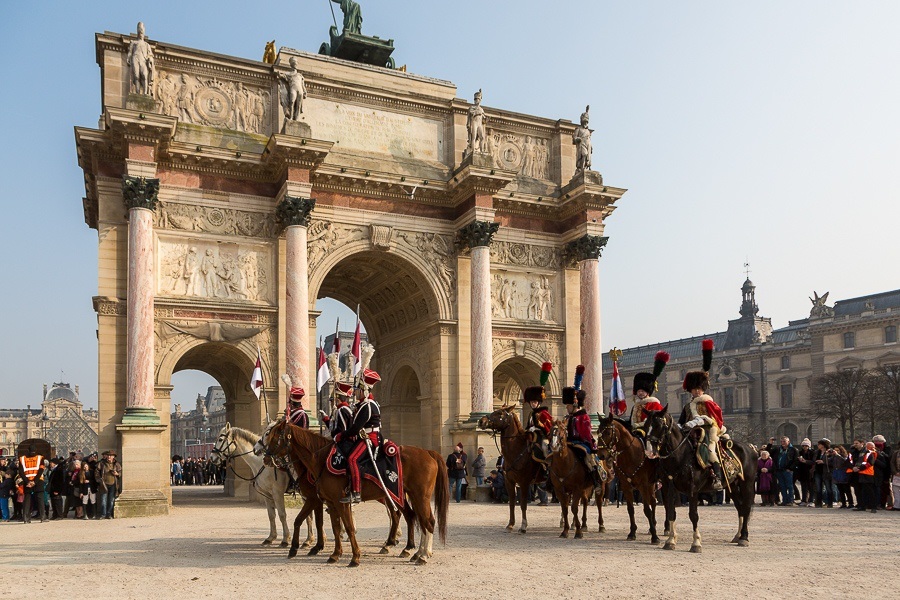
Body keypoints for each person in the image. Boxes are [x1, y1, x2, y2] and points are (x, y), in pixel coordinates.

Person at [679, 339, 726, 491]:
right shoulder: (688, 406)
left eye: (699, 388)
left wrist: (699, 421)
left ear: (703, 388)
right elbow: (682, 420)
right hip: (690, 433)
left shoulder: (708, 403)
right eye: (694, 389)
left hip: (707, 432)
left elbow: (715, 419)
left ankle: (717, 478)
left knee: (710, 451)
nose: (696, 391)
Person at [339, 369, 382, 504]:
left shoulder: (368, 405)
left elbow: (356, 428)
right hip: (365, 436)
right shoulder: (364, 405)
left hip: (369, 438)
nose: (356, 393)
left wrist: (342, 435)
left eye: (358, 390)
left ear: (364, 390)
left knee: (352, 459)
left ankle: (356, 492)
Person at [562, 386, 604, 491]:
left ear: (575, 405)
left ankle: (595, 480)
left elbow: (586, 432)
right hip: (568, 442)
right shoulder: (567, 418)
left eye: (568, 405)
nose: (567, 408)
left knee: (588, 458)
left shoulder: (584, 417)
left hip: (581, 442)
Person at [630, 351, 670, 434]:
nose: (640, 393)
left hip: (650, 432)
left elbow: (660, 421)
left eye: (643, 391)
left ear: (648, 393)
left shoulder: (654, 404)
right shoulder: (635, 406)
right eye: (639, 391)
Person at [19, 444, 46, 523]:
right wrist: (34, 481)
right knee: (40, 499)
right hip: (38, 480)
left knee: (27, 500)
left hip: (27, 480)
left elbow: (21, 472)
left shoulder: (22, 459)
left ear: (28, 450)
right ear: (36, 450)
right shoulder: (40, 458)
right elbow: (41, 470)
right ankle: (42, 516)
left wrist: (27, 481)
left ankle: (26, 518)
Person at [849, 441, 878, 513]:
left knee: (869, 491)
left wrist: (859, 468)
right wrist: (853, 468)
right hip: (855, 474)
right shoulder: (852, 452)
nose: (855, 445)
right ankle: (861, 506)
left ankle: (873, 507)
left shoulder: (869, 452)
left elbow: (870, 463)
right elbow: (848, 461)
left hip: (866, 474)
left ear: (862, 444)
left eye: (857, 443)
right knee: (857, 491)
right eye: (854, 443)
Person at [97, 450, 122, 519]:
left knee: (111, 500)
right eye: (108, 455)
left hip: (113, 484)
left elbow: (120, 472)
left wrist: (117, 474)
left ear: (113, 457)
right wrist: (99, 480)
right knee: (103, 500)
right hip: (104, 484)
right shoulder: (102, 463)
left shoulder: (116, 464)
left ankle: (109, 514)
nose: (109, 457)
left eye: (110, 456)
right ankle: (103, 514)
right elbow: (97, 472)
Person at [774, 436, 798, 506]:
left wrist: (790, 468)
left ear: (788, 442)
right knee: (782, 486)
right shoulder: (778, 449)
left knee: (789, 486)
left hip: (788, 471)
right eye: (781, 441)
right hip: (779, 470)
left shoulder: (793, 449)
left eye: (784, 441)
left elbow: (795, 460)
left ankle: (791, 500)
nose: (782, 443)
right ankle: (784, 500)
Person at [795, 438, 815, 506]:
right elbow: (797, 462)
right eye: (803, 446)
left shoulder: (812, 452)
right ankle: (804, 500)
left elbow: (813, 462)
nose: (804, 447)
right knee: (803, 487)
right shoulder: (800, 452)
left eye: (806, 446)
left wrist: (805, 461)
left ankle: (811, 500)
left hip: (810, 471)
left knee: (811, 487)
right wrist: (799, 460)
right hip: (802, 471)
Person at [0, 456, 12, 522]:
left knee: (4, 506)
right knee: (3, 506)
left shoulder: (7, 479)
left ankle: (6, 517)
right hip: (3, 492)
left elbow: (3, 485)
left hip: (4, 492)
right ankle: (4, 517)